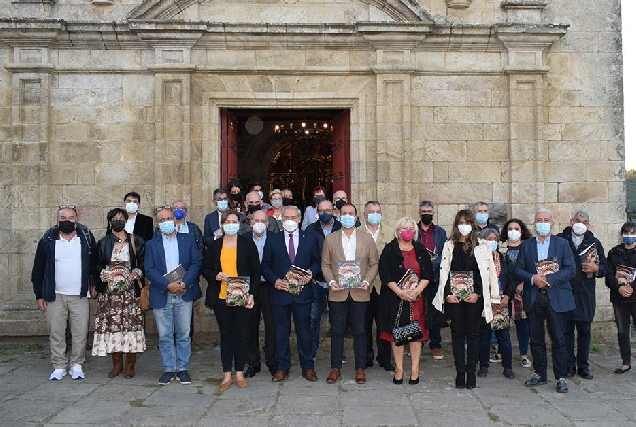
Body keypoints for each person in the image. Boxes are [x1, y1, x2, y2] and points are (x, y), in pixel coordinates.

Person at [432, 209, 499, 390]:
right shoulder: (449, 245)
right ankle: (460, 372)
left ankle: (471, 372)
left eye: (467, 222)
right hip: (454, 298)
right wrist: (447, 294)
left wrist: (478, 293)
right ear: (456, 224)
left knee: (473, 334)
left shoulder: (482, 246)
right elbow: (444, 272)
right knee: (457, 335)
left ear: (473, 225)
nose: (464, 226)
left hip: (474, 299)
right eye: (461, 222)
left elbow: (487, 273)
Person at [513, 208, 576, 393]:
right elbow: (518, 270)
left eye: (545, 219)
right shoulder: (527, 245)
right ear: (534, 224)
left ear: (552, 224)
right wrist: (533, 278)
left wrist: (549, 279)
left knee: (559, 338)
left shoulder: (562, 244)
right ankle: (540, 372)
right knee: (536, 337)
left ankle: (561, 376)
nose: (542, 223)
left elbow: (570, 269)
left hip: (556, 297)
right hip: (534, 297)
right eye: (539, 220)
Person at [32, 204, 97, 380]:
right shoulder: (47, 240)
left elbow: (94, 264)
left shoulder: (85, 238)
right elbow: (38, 269)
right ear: (58, 220)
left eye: (70, 218)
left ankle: (77, 365)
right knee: (57, 332)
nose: (67, 221)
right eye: (63, 218)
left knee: (80, 332)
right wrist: (39, 295)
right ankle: (59, 365)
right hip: (55, 295)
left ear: (76, 219)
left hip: (79, 295)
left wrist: (94, 284)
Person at [201, 210, 260, 391]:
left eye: (234, 221)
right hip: (221, 297)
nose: (231, 224)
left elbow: (256, 271)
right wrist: (215, 276)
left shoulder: (247, 243)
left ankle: (240, 373)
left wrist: (252, 294)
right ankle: (227, 374)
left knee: (241, 335)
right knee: (226, 336)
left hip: (242, 297)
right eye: (228, 221)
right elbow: (205, 269)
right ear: (222, 224)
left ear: (239, 224)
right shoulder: (214, 245)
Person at [261, 205, 321, 382]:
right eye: (286, 217)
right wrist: (274, 280)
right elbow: (265, 265)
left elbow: (317, 261)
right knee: (281, 332)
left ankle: (308, 366)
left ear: (299, 219)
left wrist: (312, 272)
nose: (289, 220)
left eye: (293, 217)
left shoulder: (309, 238)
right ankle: (282, 367)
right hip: (280, 294)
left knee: (304, 332)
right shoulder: (273, 239)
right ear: (281, 219)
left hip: (303, 293)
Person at [321, 203, 379, 384]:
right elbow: (325, 264)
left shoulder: (366, 238)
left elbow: (374, 263)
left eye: (351, 214)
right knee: (337, 331)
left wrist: (367, 281)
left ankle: (360, 368)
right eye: (344, 213)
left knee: (360, 331)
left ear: (356, 217)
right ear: (339, 216)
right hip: (337, 293)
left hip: (359, 292)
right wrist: (331, 281)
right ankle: (335, 368)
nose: (347, 216)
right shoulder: (330, 239)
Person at [145, 207, 202, 385]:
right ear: (158, 223)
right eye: (162, 220)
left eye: (169, 218)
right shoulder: (151, 244)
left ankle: (183, 368)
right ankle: (169, 369)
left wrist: (184, 282)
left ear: (175, 219)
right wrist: (167, 285)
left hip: (184, 291)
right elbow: (149, 269)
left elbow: (196, 261)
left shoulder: (188, 239)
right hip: (162, 293)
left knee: (184, 333)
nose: (166, 222)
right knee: (165, 335)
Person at [378, 217, 433, 385]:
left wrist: (417, 291)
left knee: (416, 335)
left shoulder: (421, 249)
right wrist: (400, 292)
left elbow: (428, 274)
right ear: (398, 231)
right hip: (396, 299)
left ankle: (415, 369)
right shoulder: (389, 249)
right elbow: (385, 273)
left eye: (411, 228)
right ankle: (399, 368)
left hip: (417, 300)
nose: (407, 231)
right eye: (404, 228)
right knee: (398, 334)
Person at [92, 208, 146, 378]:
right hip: (110, 295)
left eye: (121, 218)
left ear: (126, 221)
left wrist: (136, 272)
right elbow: (97, 264)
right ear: (109, 222)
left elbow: (144, 262)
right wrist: (103, 274)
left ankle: (130, 364)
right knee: (113, 327)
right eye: (114, 218)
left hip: (130, 294)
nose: (118, 221)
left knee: (131, 327)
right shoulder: (103, 242)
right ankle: (116, 364)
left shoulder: (136, 240)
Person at [558, 210, 607, 380]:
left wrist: (597, 269)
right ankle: (569, 365)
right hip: (565, 292)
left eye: (584, 221)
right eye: (578, 220)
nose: (580, 224)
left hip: (585, 294)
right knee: (567, 331)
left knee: (584, 331)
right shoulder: (561, 239)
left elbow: (605, 267)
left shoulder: (594, 242)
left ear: (588, 224)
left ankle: (583, 366)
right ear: (571, 221)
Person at [304, 199, 342, 358]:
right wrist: (311, 273)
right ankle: (312, 349)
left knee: (337, 318)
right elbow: (306, 253)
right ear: (317, 212)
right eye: (321, 211)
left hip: (338, 281)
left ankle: (338, 352)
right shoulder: (311, 230)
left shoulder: (342, 228)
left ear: (333, 211)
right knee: (313, 317)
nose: (325, 213)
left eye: (328, 210)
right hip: (317, 280)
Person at [476, 228, 515, 379]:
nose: (492, 241)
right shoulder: (478, 259)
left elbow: (512, 280)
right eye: (489, 238)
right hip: (485, 303)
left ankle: (508, 367)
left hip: (502, 303)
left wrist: (508, 297)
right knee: (484, 336)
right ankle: (483, 366)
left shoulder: (504, 258)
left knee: (503, 336)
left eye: (494, 239)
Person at [361, 201, 394, 371]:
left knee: (384, 324)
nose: (375, 214)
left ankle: (385, 358)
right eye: (371, 211)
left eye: (378, 211)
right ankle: (366, 357)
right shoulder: (357, 232)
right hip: (363, 286)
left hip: (384, 286)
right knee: (364, 324)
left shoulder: (390, 232)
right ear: (365, 215)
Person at [244, 210, 277, 377]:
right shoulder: (243, 240)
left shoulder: (275, 239)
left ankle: (272, 361)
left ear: (267, 223)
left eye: (262, 220)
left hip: (269, 286)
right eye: (255, 220)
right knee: (250, 325)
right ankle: (252, 362)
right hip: (250, 288)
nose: (259, 223)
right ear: (250, 223)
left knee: (272, 326)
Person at [500, 218, 533, 368]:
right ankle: (501, 352)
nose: (513, 231)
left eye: (517, 229)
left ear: (522, 231)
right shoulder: (501, 249)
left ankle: (524, 354)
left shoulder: (527, 247)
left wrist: (523, 283)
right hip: (505, 291)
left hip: (521, 291)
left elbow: (531, 268)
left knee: (522, 324)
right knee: (502, 323)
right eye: (510, 228)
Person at [417, 200, 448, 360]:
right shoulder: (413, 231)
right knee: (418, 310)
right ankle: (417, 342)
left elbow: (446, 253)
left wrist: (432, 264)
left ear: (433, 213)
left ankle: (435, 344)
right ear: (419, 213)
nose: (426, 214)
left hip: (436, 276)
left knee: (435, 311)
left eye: (429, 212)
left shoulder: (441, 232)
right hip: (417, 278)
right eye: (423, 212)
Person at [605, 222, 636, 374]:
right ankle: (626, 362)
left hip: (635, 296)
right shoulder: (614, 252)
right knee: (622, 330)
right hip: (619, 297)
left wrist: (632, 287)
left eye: (632, 233)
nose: (629, 236)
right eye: (626, 233)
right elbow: (608, 274)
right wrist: (619, 287)